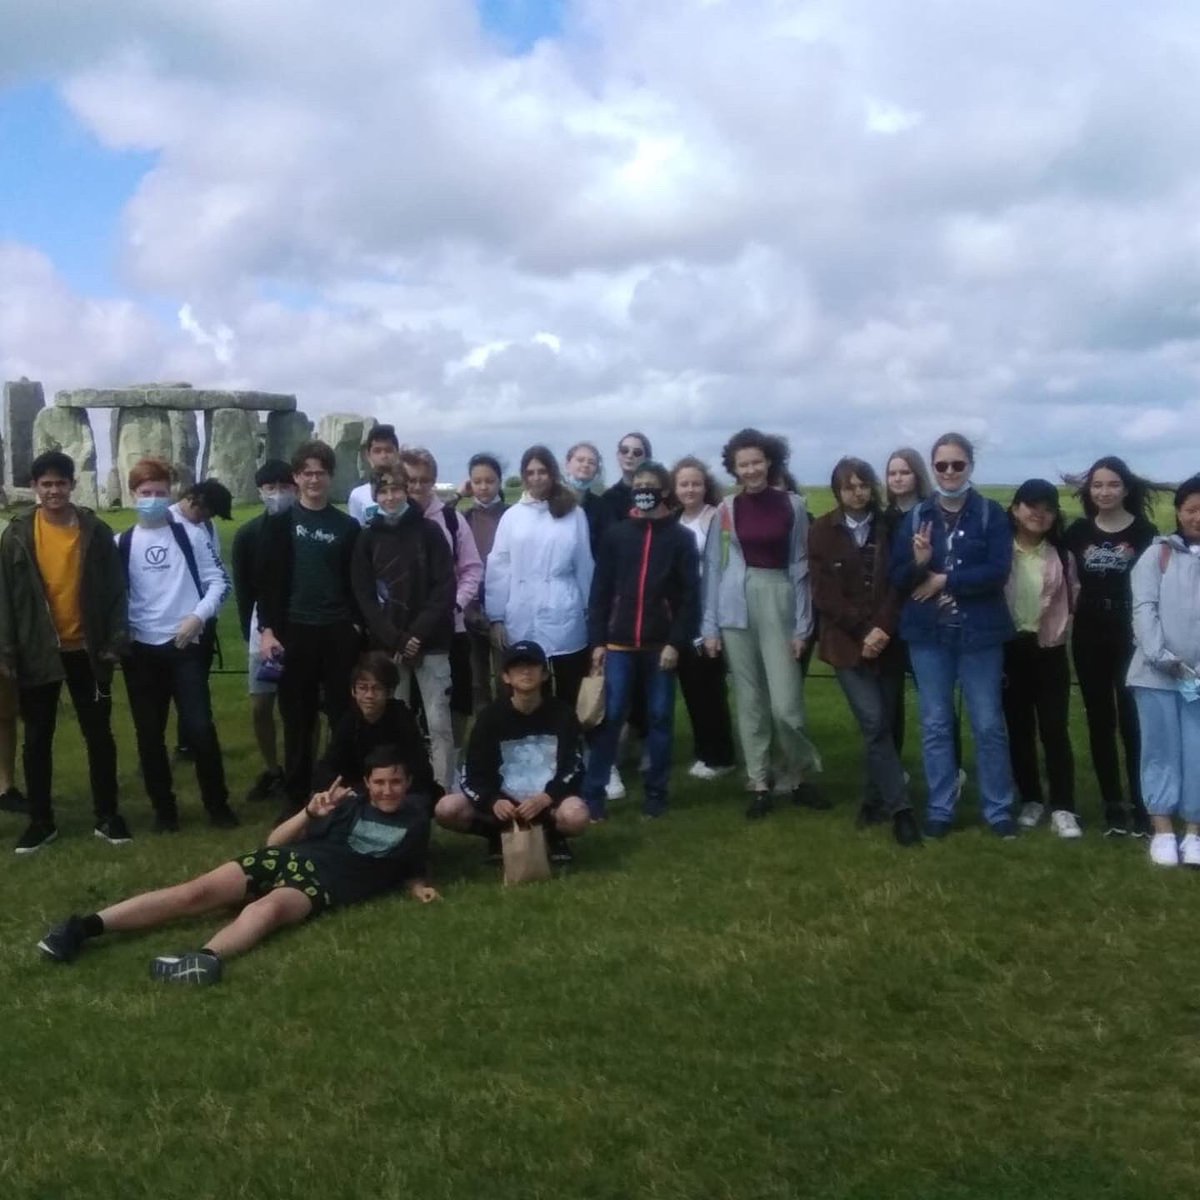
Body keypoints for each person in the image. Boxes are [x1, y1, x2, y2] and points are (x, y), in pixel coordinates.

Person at [36, 745, 439, 984]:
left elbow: (409, 867)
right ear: (367, 783)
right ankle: (83, 927)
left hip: (325, 884)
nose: (387, 790)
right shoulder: (345, 805)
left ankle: (204, 960)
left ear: (407, 783)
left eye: (396, 782)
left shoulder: (415, 820)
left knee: (266, 909)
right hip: (291, 858)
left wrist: (417, 886)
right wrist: (310, 813)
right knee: (192, 893)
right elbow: (273, 843)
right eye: (380, 782)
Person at [0, 451, 128, 854]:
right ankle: (41, 821)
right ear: (35, 488)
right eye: (46, 484)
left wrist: (115, 640)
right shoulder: (17, 535)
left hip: (88, 651)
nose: (54, 490)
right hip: (38, 651)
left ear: (73, 485)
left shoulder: (96, 530)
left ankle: (108, 815)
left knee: (99, 734)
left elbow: (115, 590)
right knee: (37, 738)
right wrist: (5, 649)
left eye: (60, 483)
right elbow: (3, 597)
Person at [889, 433, 1016, 838]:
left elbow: (998, 570)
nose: (948, 472)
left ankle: (998, 810)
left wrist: (945, 579)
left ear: (970, 467)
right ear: (933, 468)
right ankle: (941, 808)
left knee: (988, 724)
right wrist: (919, 562)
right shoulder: (915, 516)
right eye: (941, 465)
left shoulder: (990, 514)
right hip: (929, 635)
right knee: (936, 723)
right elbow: (898, 577)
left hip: (980, 634)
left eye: (957, 465)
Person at [702, 428, 822, 819]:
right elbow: (714, 571)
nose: (751, 469)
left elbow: (802, 567)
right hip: (735, 603)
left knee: (786, 704)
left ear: (769, 462)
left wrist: (803, 626)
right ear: (734, 469)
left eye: (757, 461)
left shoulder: (794, 506)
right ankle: (758, 780)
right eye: (743, 464)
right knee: (750, 700)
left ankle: (799, 773)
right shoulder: (726, 511)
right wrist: (710, 626)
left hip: (780, 597)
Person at [118, 456, 238, 831]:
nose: (152, 498)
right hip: (141, 650)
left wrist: (198, 616)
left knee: (200, 727)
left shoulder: (191, 535)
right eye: (145, 492)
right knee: (150, 735)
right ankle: (164, 811)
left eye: (159, 492)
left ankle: (217, 805)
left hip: (185, 645)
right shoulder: (121, 542)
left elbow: (220, 582)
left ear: (170, 493)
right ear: (133, 494)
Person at [809, 457, 921, 846]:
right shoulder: (823, 530)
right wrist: (863, 629)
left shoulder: (891, 525)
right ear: (837, 491)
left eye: (862, 485)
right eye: (848, 486)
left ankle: (873, 801)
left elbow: (899, 582)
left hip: (888, 640)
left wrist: (883, 628)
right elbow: (824, 593)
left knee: (889, 723)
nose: (857, 492)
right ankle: (902, 810)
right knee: (873, 721)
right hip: (845, 643)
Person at [583, 461, 699, 820]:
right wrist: (598, 641)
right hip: (618, 644)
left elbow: (690, 596)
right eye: (639, 485)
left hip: (659, 646)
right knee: (611, 717)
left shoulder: (681, 538)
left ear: (664, 491)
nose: (644, 491)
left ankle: (656, 792)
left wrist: (675, 642)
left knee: (660, 718)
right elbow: (601, 590)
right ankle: (593, 795)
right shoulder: (618, 534)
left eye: (652, 485)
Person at [257, 440, 362, 818]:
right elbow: (268, 582)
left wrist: (354, 626)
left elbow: (356, 583)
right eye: (306, 473)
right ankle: (296, 794)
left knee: (341, 713)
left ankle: (340, 787)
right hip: (293, 630)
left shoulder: (346, 527)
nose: (314, 479)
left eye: (321, 472)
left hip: (336, 630)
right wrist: (267, 629)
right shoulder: (280, 522)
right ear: (296, 478)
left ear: (330, 477)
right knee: (297, 717)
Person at [1064, 456, 1160, 837]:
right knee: (1099, 721)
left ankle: (1142, 803)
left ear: (1126, 488)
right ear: (1089, 490)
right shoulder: (1077, 533)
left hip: (1129, 636)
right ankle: (1112, 806)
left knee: (1133, 722)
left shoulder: (1145, 533)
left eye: (1112, 485)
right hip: (1088, 635)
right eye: (1097, 485)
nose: (1104, 492)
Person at [349, 464, 457, 788]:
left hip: (431, 642)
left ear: (407, 491)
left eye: (396, 489)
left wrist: (417, 634)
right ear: (375, 495)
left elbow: (444, 587)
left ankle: (442, 788)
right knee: (396, 721)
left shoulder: (429, 532)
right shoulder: (367, 538)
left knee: (439, 722)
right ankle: (398, 786)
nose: (391, 496)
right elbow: (364, 596)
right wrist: (396, 638)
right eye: (383, 491)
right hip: (388, 645)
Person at [434, 640, 589, 864]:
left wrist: (548, 797)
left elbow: (573, 766)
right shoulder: (489, 718)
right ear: (506, 676)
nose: (525, 671)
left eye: (533, 665)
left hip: (547, 802)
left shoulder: (563, 714)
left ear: (545, 674)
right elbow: (472, 773)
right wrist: (492, 801)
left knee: (577, 815)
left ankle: (555, 837)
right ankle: (498, 836)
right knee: (446, 809)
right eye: (517, 666)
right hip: (504, 807)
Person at [485, 445, 594, 707]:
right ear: (523, 476)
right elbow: (500, 567)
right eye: (530, 472)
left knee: (570, 687)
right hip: (523, 611)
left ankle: (571, 743)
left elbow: (584, 564)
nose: (536, 477)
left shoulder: (573, 513)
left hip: (564, 609)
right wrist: (497, 616)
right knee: (531, 688)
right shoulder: (512, 517)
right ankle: (534, 744)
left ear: (552, 473)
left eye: (542, 471)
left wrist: (590, 609)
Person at [1002, 480, 1081, 838]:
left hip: (1048, 651)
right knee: (1018, 730)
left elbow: (1073, 601)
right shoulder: (1000, 551)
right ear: (1015, 509)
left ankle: (1064, 807)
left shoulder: (1062, 556)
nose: (1039, 514)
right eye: (1031, 506)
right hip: (1009, 650)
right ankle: (1031, 798)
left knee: (1054, 730)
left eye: (1047, 508)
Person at [1128, 475, 1200, 867]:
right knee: (1159, 750)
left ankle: (1194, 831)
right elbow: (1144, 608)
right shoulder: (1157, 554)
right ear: (1179, 512)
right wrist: (1161, 656)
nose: (1198, 517)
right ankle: (1162, 830)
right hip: (1155, 674)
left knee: (1197, 751)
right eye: (1192, 510)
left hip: (1199, 680)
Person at [399, 446, 482, 758]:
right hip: (404, 630)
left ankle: (454, 760)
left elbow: (472, 568)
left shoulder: (451, 520)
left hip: (450, 627)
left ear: (433, 481)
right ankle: (410, 764)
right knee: (408, 704)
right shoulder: (390, 520)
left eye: (424, 480)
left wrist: (455, 605)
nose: (417, 487)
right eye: (410, 481)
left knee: (456, 701)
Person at [231, 460, 296, 805]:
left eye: (284, 486)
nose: (277, 493)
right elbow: (243, 588)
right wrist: (249, 629)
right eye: (270, 488)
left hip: (301, 627)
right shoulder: (248, 534)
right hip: (263, 631)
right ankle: (273, 769)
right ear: (259, 491)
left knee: (301, 706)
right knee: (261, 706)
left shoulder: (302, 528)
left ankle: (301, 766)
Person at [671, 456, 736, 781]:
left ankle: (721, 755)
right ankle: (703, 750)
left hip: (711, 610)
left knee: (710, 687)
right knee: (691, 687)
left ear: (705, 486)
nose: (690, 489)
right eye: (684, 484)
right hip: (682, 613)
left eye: (696, 483)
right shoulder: (673, 521)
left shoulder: (717, 517)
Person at [168, 477, 234, 759]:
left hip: (203, 617)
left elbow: (215, 571)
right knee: (170, 686)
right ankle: (183, 744)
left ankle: (192, 742)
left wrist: (208, 614)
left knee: (196, 685)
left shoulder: (206, 525)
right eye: (207, 511)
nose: (208, 518)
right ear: (196, 500)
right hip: (170, 617)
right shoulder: (166, 520)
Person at [312, 652, 438, 798]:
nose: (369, 696)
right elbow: (327, 767)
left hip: (395, 793)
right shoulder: (350, 720)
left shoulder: (402, 719)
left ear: (389, 692)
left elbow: (421, 771)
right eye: (363, 688)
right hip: (357, 792)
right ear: (354, 691)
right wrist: (339, 789)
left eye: (377, 688)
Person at [461, 453, 509, 710]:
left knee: (506, 680)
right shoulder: (464, 517)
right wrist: (458, 495)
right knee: (477, 683)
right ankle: (484, 739)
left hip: (504, 611)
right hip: (470, 611)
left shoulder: (511, 516)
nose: (483, 487)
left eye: (489, 481)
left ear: (499, 482)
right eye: (477, 481)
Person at [594, 432, 652, 544]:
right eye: (625, 450)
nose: (629, 455)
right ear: (618, 455)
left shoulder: (655, 495)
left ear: (647, 459)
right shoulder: (607, 498)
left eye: (637, 452)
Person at [348, 424, 400, 525]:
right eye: (377, 451)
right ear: (368, 456)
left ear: (397, 454)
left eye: (388, 450)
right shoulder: (357, 495)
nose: (383, 456)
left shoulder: (407, 490)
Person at [564, 441, 605, 553]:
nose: (585, 465)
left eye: (591, 463)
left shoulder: (602, 507)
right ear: (567, 465)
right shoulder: (551, 501)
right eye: (580, 460)